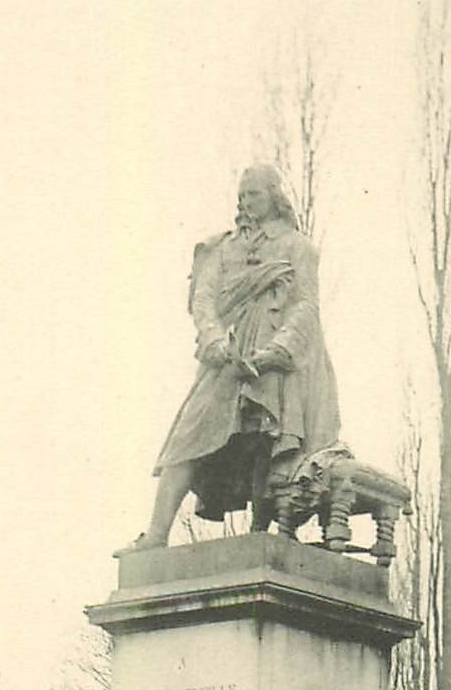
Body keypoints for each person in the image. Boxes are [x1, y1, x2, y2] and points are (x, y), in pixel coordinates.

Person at [117, 164, 342, 552]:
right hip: (225, 359)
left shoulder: (297, 248)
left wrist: (279, 350)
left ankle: (259, 533)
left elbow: (306, 305)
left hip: (271, 359)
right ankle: (156, 534)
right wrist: (215, 340)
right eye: (240, 195)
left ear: (273, 196)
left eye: (253, 194)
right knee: (187, 436)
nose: (244, 202)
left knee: (261, 439)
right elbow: (204, 299)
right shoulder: (222, 248)